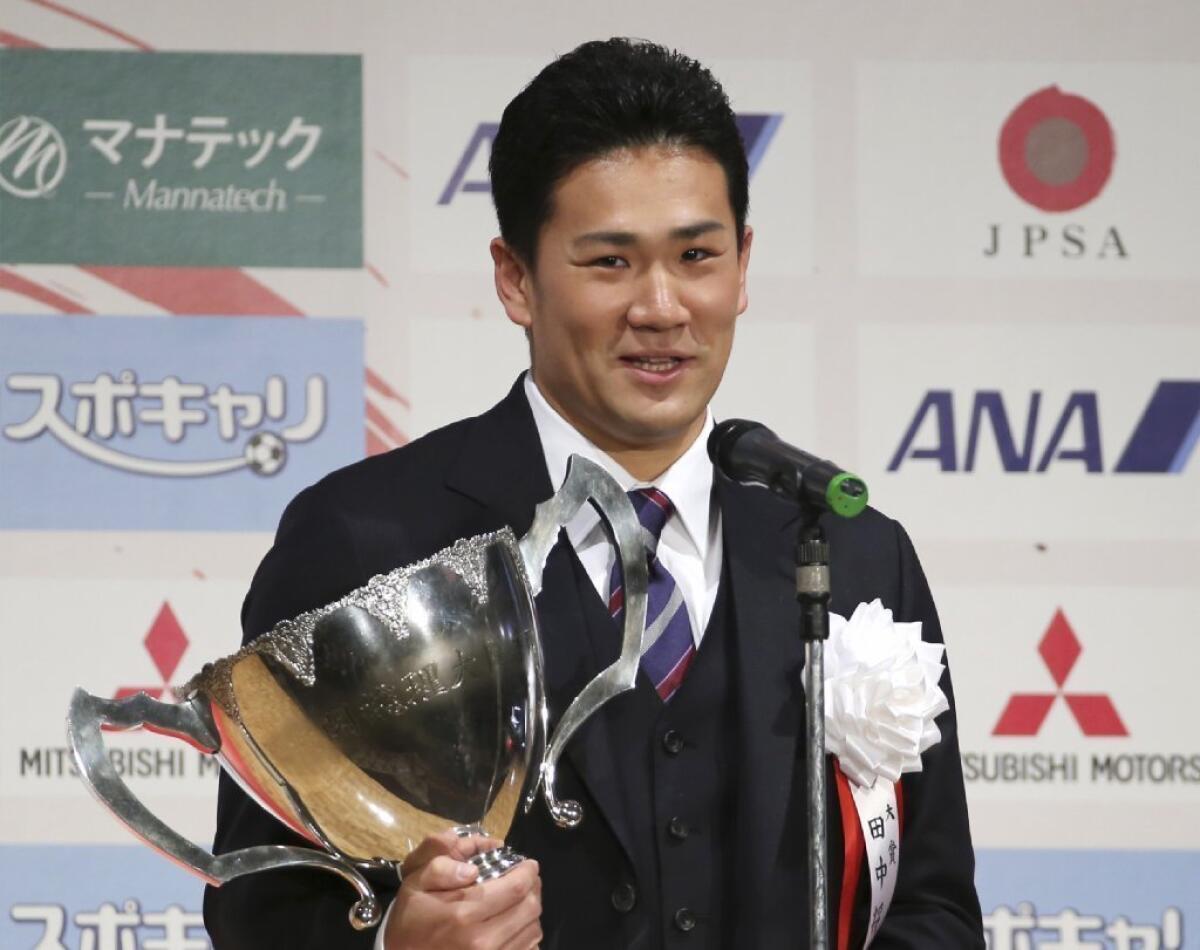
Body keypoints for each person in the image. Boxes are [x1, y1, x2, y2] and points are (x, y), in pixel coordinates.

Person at [204, 37, 984, 949]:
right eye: (610, 263)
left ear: (744, 263)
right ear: (515, 278)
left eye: (697, 254)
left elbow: (934, 908)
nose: (661, 307)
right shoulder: (366, 539)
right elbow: (262, 912)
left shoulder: (847, 549)